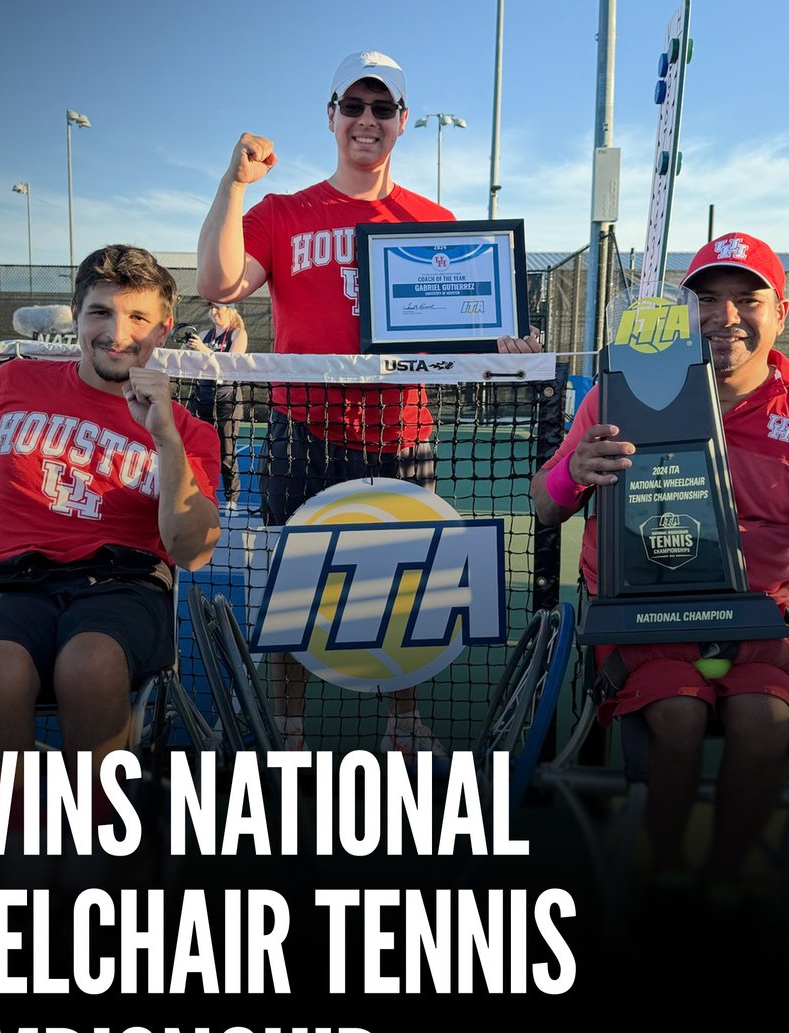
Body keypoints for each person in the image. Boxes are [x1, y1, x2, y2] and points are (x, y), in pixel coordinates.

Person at [197, 50, 538, 753]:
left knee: (406, 595)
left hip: (400, 436)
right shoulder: (281, 211)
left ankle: (403, 722)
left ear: (403, 122)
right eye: (353, 106)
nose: (367, 120)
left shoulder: (432, 218)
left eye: (382, 108)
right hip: (302, 433)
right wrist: (234, 184)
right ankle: (289, 728)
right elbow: (219, 282)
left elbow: (472, 326)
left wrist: (505, 345)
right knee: (295, 596)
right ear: (331, 117)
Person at [531, 232, 789, 889]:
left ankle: (720, 875)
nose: (727, 316)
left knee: (765, 720)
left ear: (781, 313)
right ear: (684, 315)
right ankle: (664, 871)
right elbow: (545, 507)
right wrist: (574, 472)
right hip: (639, 620)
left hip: (752, 624)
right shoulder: (617, 394)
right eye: (707, 300)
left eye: (747, 299)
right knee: (678, 717)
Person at [0, 244, 221, 794]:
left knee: (90, 665)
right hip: (8, 580)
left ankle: (98, 835)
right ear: (77, 317)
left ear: (162, 330)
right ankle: (15, 842)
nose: (117, 332)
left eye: (137, 317)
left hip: (124, 582)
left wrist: (163, 437)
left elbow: (191, 550)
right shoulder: (12, 385)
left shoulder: (188, 431)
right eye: (100, 312)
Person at [184, 301, 247, 506]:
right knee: (195, 447)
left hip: (227, 399)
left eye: (217, 308)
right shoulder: (204, 335)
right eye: (211, 308)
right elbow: (190, 365)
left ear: (230, 310)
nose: (213, 312)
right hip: (202, 396)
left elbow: (230, 365)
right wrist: (187, 351)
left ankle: (231, 500)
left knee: (226, 451)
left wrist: (203, 350)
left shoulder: (238, 334)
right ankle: (199, 493)